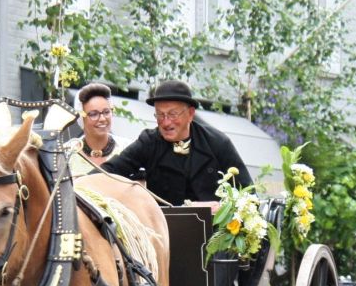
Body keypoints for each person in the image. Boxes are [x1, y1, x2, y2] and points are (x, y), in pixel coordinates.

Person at [101, 79, 252, 206]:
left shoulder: (217, 143)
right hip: (165, 233)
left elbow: (249, 194)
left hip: (214, 235)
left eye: (173, 114)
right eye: (160, 115)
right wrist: (80, 184)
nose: (166, 122)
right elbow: (108, 171)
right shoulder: (148, 142)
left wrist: (222, 208)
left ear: (191, 114)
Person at [66, 83, 123, 178]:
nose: (102, 119)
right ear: (81, 117)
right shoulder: (67, 153)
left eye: (106, 112)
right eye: (93, 114)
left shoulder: (127, 149)